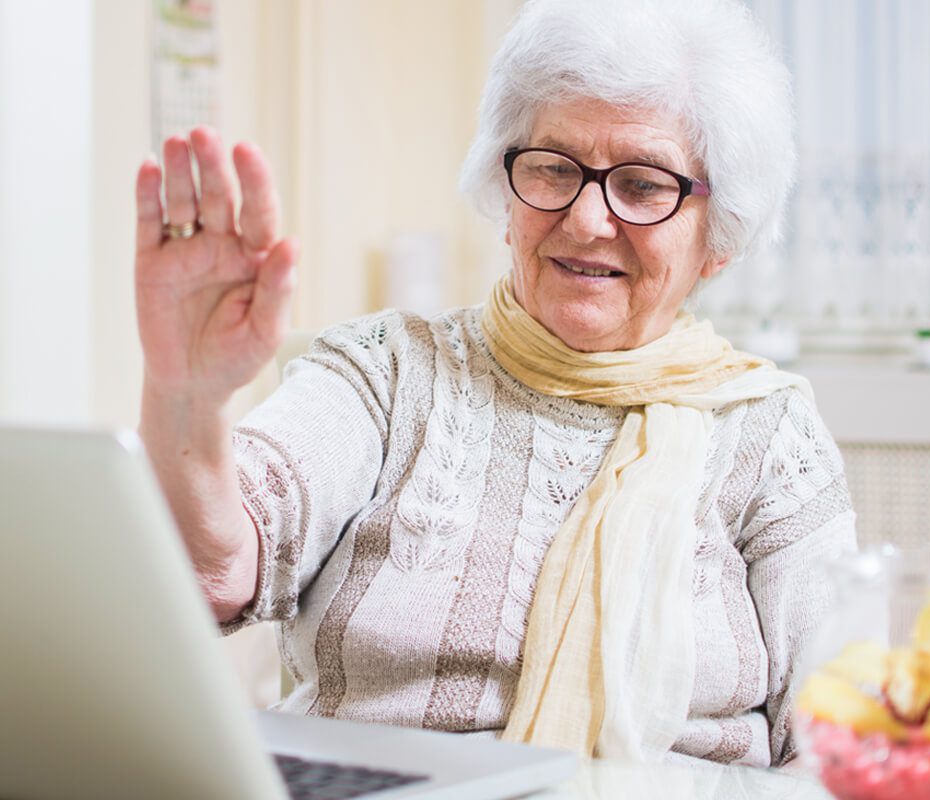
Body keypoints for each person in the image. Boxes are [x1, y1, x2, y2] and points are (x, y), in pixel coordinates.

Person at [133, 0, 856, 768]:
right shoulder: (386, 370)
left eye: (643, 186)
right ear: (504, 187)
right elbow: (211, 571)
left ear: (719, 237)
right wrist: (188, 398)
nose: (584, 221)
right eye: (552, 167)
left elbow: (843, 738)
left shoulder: (771, 437)